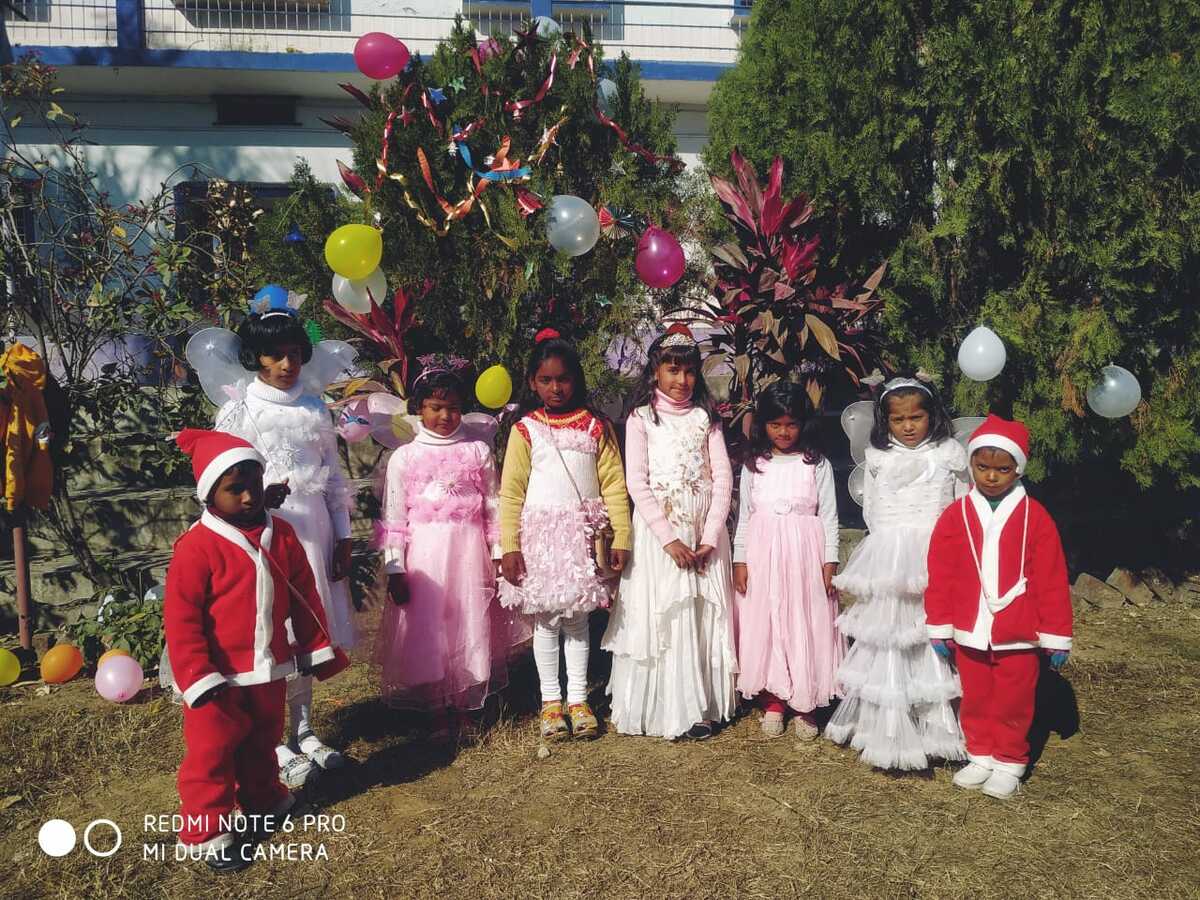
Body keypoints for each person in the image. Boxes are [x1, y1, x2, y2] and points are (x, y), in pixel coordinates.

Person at [165, 429, 348, 872]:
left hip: (268, 666)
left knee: (263, 739)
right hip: (218, 676)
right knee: (212, 752)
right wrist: (197, 675)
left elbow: (303, 593)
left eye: (254, 484)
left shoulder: (280, 533)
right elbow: (181, 617)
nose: (249, 497)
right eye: (235, 489)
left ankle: (264, 799)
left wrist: (315, 645)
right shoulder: (197, 546)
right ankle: (206, 830)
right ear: (209, 493)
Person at [213, 289, 356, 787]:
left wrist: (343, 535)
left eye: (295, 353)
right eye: (275, 355)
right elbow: (222, 480)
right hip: (265, 537)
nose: (287, 364)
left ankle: (305, 729)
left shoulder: (315, 408)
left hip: (313, 534)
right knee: (272, 634)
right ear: (256, 357)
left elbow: (334, 477)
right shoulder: (239, 410)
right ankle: (271, 739)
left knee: (307, 631)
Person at [375, 356, 529, 739]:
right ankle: (435, 703)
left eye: (454, 407)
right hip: (425, 559)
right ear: (419, 408)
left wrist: (498, 553)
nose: (445, 416)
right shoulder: (404, 457)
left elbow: (492, 505)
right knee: (431, 625)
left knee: (468, 620)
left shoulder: (477, 452)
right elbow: (394, 516)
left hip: (469, 554)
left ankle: (462, 702)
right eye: (435, 407)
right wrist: (395, 568)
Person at [824, 376, 969, 769]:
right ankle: (888, 727)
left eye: (916, 418)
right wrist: (887, 549)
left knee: (929, 633)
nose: (907, 426)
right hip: (889, 558)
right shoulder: (879, 457)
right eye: (898, 419)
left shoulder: (948, 454)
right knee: (889, 636)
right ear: (885, 421)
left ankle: (935, 725)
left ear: (931, 415)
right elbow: (872, 509)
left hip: (934, 554)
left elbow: (961, 504)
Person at [925, 414, 1072, 799]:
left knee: (1014, 700)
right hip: (970, 627)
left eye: (1002, 469)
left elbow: (1052, 578)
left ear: (1018, 469)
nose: (991, 476)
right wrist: (940, 625)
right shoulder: (956, 515)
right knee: (974, 696)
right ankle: (980, 754)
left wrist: (1056, 634)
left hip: (1019, 630)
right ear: (971, 464)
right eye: (982, 467)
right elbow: (940, 574)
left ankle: (1009, 760)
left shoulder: (1035, 517)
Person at [602, 325, 737, 741]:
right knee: (667, 613)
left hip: (703, 533)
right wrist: (669, 538)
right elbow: (637, 483)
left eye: (689, 371)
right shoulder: (641, 419)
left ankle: (703, 707)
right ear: (655, 372)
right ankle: (667, 707)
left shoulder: (706, 418)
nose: (682, 380)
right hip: (661, 536)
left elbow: (723, 478)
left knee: (698, 613)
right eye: (672, 371)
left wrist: (710, 536)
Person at [498, 329, 632, 742]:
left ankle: (578, 699)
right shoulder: (525, 430)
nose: (555, 388)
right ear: (532, 382)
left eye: (563, 379)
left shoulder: (596, 427)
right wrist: (510, 546)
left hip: (583, 541)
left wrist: (621, 536)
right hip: (541, 541)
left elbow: (614, 485)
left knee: (577, 620)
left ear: (576, 379)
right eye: (545, 380)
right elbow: (511, 492)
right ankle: (550, 703)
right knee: (546, 621)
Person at [732, 382, 844, 740]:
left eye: (791, 424)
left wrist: (830, 561)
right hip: (763, 555)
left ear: (803, 423)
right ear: (763, 424)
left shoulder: (817, 463)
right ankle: (774, 699)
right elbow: (745, 517)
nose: (783, 432)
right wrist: (740, 559)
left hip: (804, 556)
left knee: (803, 621)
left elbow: (829, 516)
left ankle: (805, 701)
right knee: (768, 621)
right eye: (775, 424)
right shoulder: (754, 465)